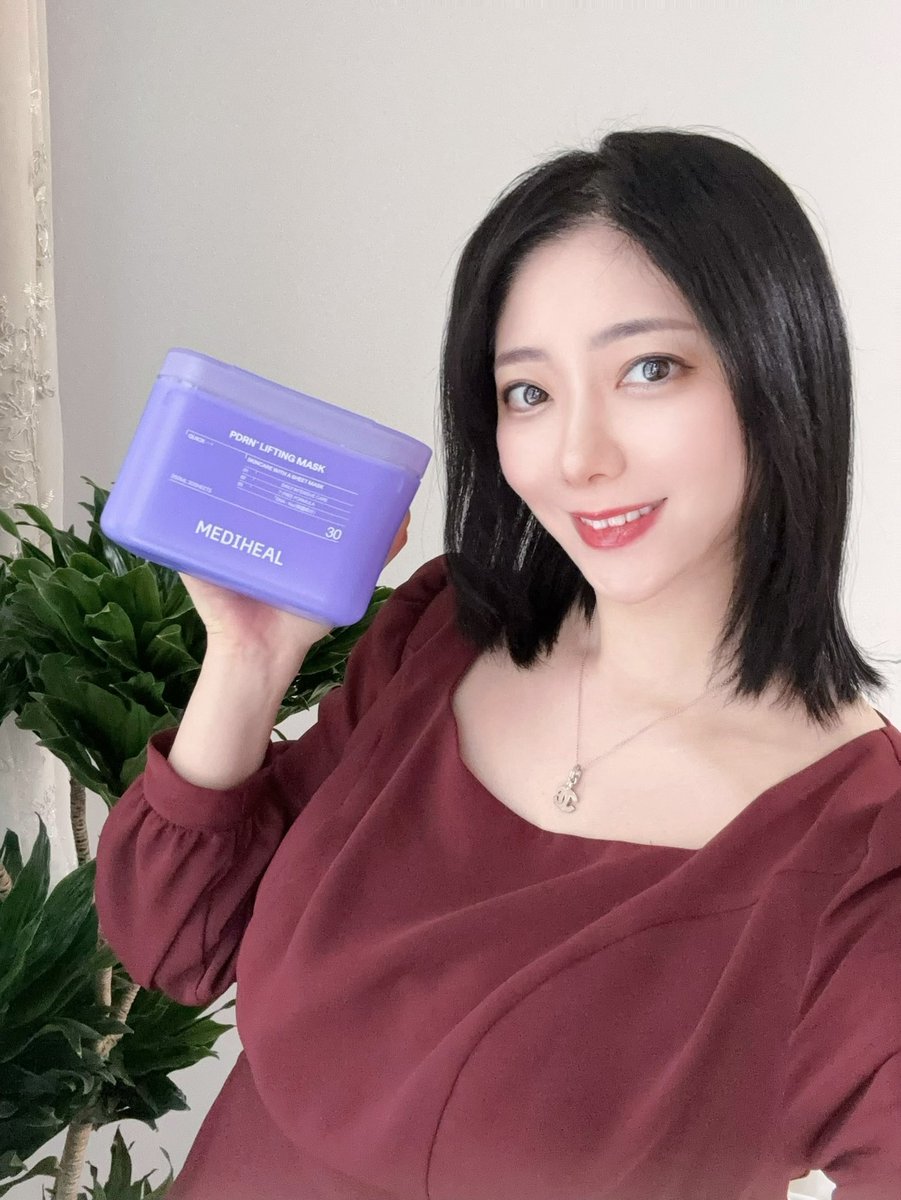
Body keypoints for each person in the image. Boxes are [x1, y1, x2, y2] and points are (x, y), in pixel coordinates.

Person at [94, 128, 901, 1200]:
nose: (578, 456)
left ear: (779, 372)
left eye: (649, 369)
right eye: (528, 392)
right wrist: (246, 662)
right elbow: (176, 943)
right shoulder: (442, 639)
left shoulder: (860, 855)